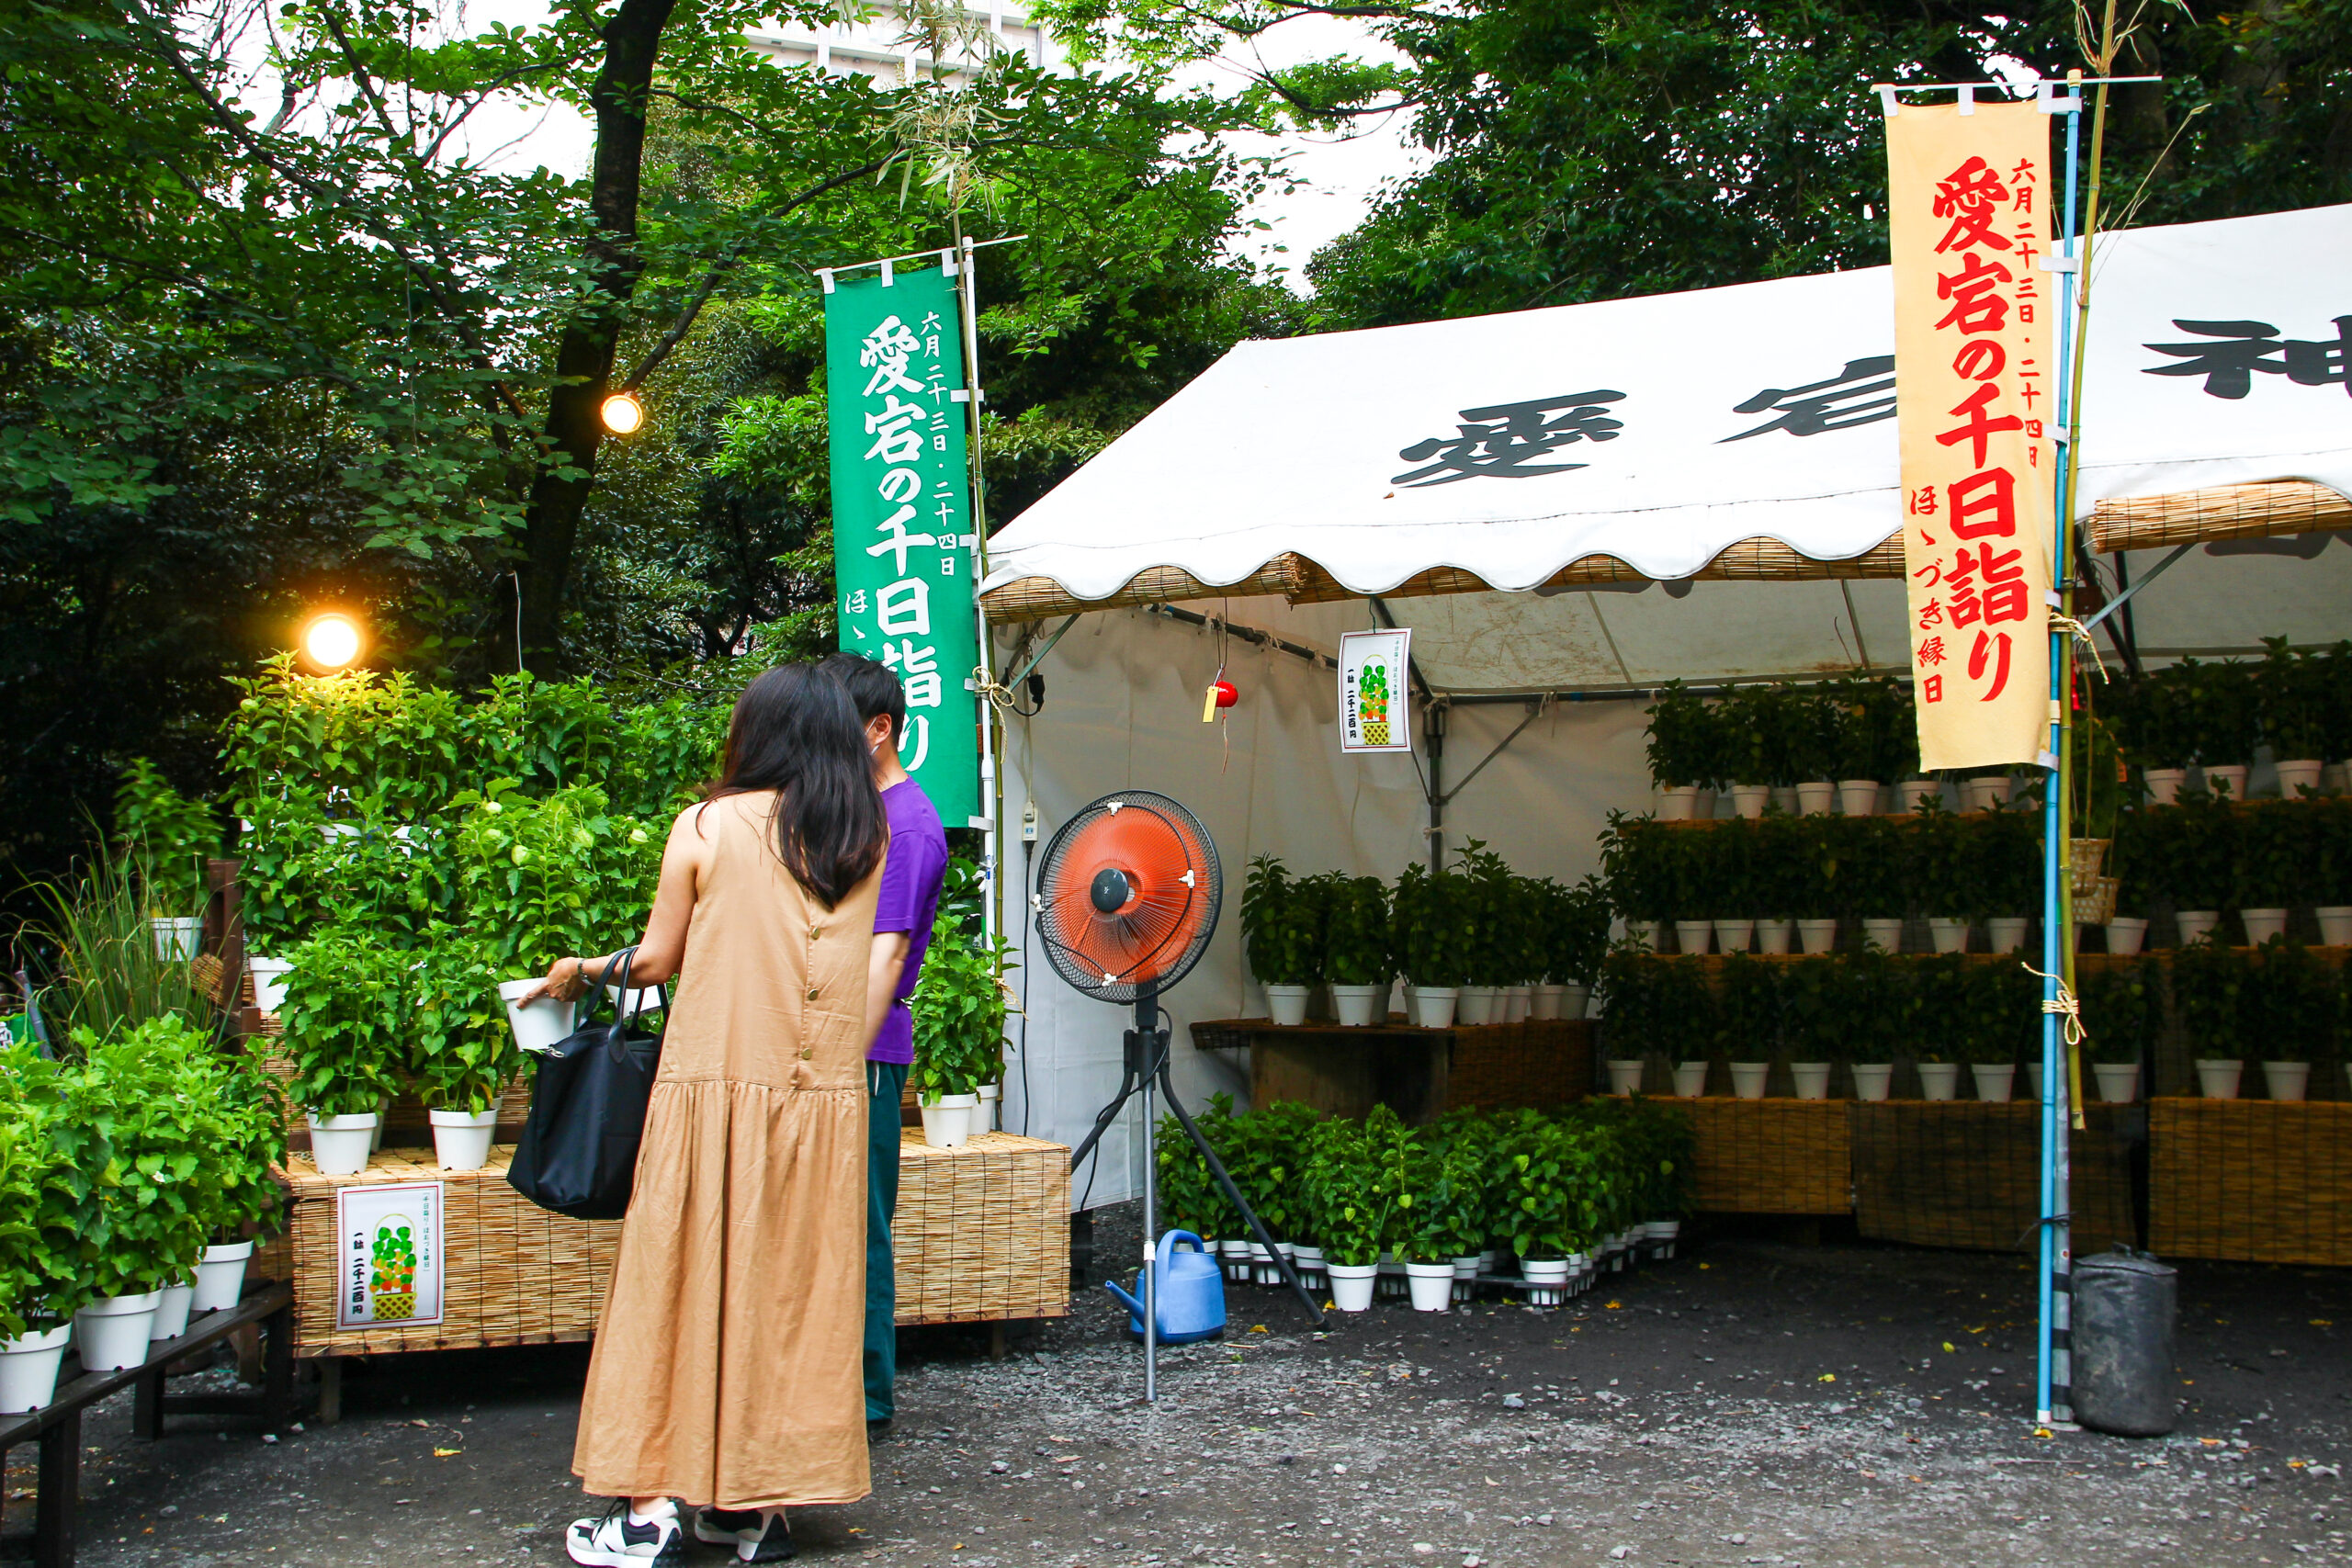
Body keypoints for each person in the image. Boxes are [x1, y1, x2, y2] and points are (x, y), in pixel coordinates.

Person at [528, 664, 888, 1566]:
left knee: (676, 1291)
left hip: (713, 1096)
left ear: (755, 734)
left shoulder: (707, 826)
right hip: (820, 1112)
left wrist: (581, 968)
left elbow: (656, 962)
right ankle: (746, 1511)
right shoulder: (864, 837)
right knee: (790, 1303)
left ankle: (647, 1512)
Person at [820, 652, 950, 1432]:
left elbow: (890, 953)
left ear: (878, 730)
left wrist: (840, 1055)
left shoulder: (910, 824)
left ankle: (868, 1400)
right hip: (837, 1039)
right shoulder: (863, 811)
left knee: (861, 1224)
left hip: (863, 1047)